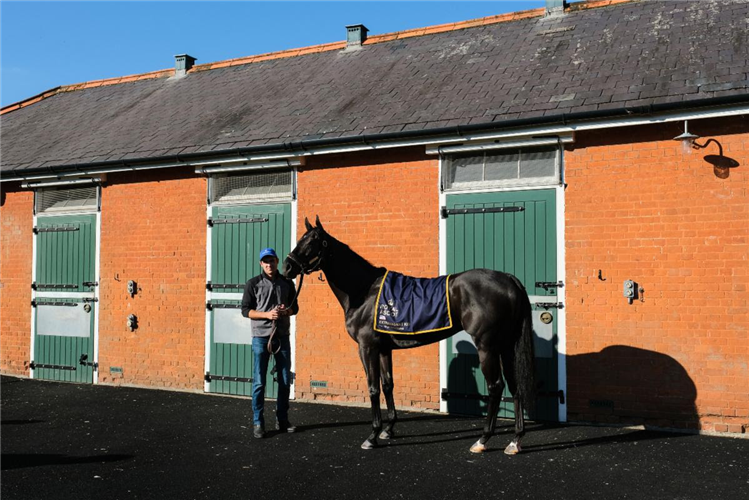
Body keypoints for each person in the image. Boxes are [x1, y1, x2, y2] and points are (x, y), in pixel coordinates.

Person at [241, 247, 299, 439]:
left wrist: (285, 311)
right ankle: (258, 422)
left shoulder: (287, 283)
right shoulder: (253, 284)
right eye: (265, 261)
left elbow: (294, 308)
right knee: (259, 382)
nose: (269, 264)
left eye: (272, 260)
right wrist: (266, 314)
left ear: (276, 261)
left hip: (282, 336)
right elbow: (245, 310)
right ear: (261, 263)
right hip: (261, 337)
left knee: (284, 380)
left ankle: (282, 419)